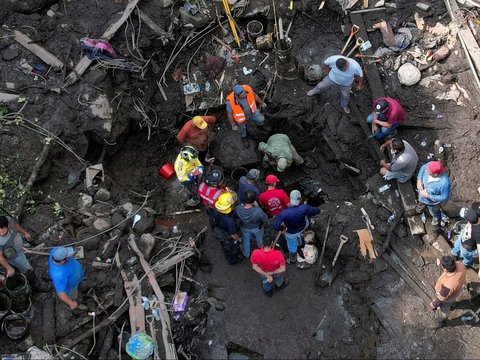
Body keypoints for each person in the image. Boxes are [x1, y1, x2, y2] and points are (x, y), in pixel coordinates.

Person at [0, 215, 49, 291]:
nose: (2, 233)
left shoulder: (8, 220)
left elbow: (15, 225)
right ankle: (37, 286)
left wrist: (24, 233)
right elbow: (0, 257)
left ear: (7, 225)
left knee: (17, 267)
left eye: (3, 230)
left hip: (19, 250)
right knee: (28, 270)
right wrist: (9, 268)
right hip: (15, 257)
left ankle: (16, 269)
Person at [273, 190, 320, 264]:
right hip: (303, 226)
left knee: (292, 247)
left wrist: (281, 228)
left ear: (290, 198)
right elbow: (317, 211)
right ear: (300, 199)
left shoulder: (284, 212)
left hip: (291, 232)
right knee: (305, 224)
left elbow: (275, 226)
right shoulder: (304, 207)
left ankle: (293, 259)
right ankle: (299, 242)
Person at [430, 255, 466, 327]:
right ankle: (453, 305)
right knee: (453, 299)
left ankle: (442, 321)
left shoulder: (447, 287)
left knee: (445, 310)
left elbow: (440, 300)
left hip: (448, 297)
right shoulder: (461, 265)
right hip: (456, 290)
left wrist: (433, 305)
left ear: (445, 269)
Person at [49, 246, 87, 311]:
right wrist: (71, 303)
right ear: (62, 261)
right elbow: (60, 293)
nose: (70, 256)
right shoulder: (58, 275)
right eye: (68, 256)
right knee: (73, 293)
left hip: (76, 276)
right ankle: (74, 301)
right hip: (71, 287)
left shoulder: (55, 251)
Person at [416, 161, 451, 228]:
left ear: (435, 174)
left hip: (432, 202)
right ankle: (420, 208)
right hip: (422, 196)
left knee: (434, 212)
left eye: (428, 172)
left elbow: (444, 197)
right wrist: (419, 179)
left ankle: (436, 218)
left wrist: (428, 196)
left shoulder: (444, 183)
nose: (426, 171)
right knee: (421, 203)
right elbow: (423, 168)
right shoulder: (431, 165)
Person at [236, 190, 269, 258]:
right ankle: (261, 250)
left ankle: (246, 254)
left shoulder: (238, 208)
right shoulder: (258, 211)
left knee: (246, 240)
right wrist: (257, 206)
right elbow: (265, 219)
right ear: (254, 200)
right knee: (259, 239)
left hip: (244, 227)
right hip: (256, 228)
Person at [212, 191, 242, 264]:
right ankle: (232, 260)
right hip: (227, 235)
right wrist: (239, 239)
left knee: (224, 246)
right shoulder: (230, 221)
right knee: (232, 248)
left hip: (219, 229)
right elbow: (234, 235)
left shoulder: (215, 210)